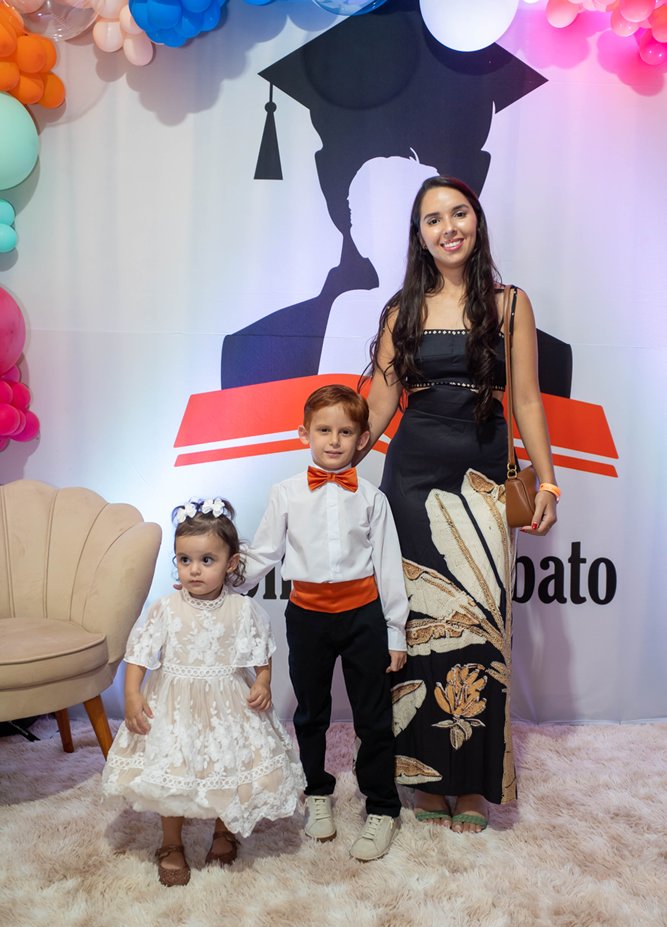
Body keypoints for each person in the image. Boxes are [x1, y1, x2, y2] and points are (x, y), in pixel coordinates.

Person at [363, 176, 559, 834]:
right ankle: (424, 778)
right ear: (418, 236)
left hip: (482, 482)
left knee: (478, 627)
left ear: (476, 221)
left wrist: (548, 482)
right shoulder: (401, 310)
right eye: (432, 219)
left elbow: (525, 399)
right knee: (419, 628)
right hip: (411, 482)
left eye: (458, 213)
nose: (447, 227)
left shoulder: (510, 305)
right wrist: (333, 465)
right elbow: (380, 403)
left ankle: (471, 784)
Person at [240, 385, 409, 862]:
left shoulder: (372, 498)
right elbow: (264, 553)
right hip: (308, 617)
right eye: (324, 430)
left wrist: (395, 631)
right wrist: (223, 579)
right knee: (311, 712)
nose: (334, 440)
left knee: (373, 716)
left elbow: (388, 566)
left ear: (362, 439)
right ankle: (316, 791)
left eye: (346, 432)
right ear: (304, 434)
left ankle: (382, 806)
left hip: (363, 617)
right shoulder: (286, 493)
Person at [101, 498, 304, 887]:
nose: (194, 569)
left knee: (226, 767)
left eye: (206, 560)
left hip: (227, 706)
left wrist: (262, 682)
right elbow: (138, 654)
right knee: (172, 774)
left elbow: (261, 652)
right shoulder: (165, 608)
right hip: (174, 707)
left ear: (231, 563)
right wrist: (132, 695)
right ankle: (171, 843)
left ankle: (224, 831)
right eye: (184, 560)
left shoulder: (243, 609)